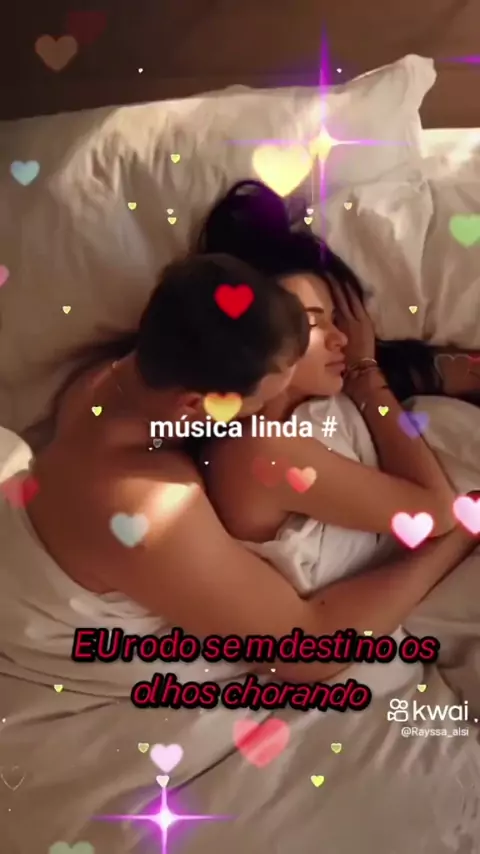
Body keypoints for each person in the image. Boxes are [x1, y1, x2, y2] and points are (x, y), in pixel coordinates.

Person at [3, 187, 479, 691]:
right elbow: (304, 654)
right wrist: (461, 533)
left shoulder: (107, 383)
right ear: (198, 406)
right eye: (261, 398)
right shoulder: (150, 504)